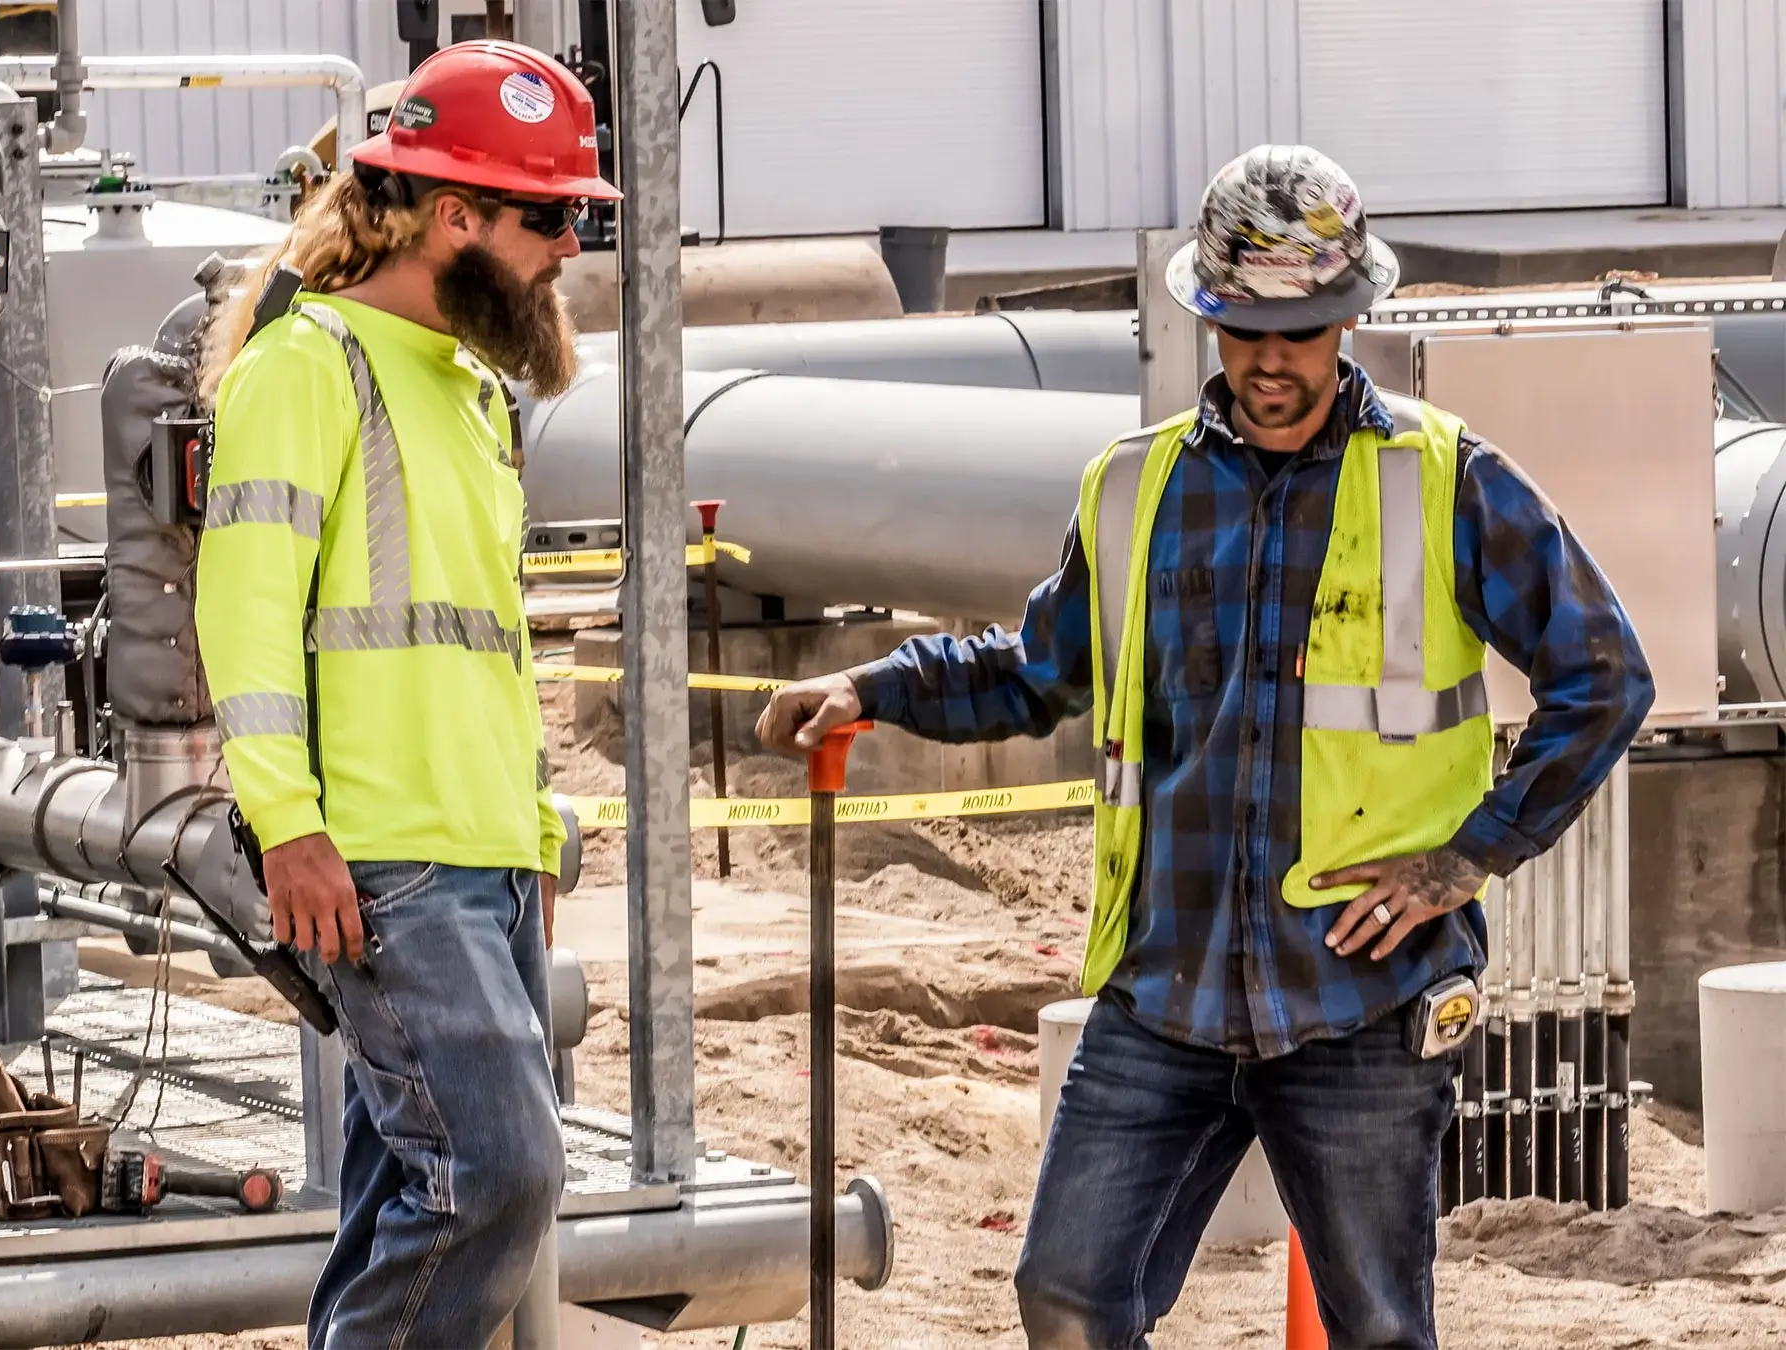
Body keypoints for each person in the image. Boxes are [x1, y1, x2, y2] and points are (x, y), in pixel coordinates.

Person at [756, 145, 1654, 1350]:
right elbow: (1034, 672)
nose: (1272, 361)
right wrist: (870, 684)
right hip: (1164, 990)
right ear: (1205, 318)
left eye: (1304, 330)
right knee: (1066, 1294)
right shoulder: (1135, 490)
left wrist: (1465, 860)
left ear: (1348, 319)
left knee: (1378, 1330)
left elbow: (1604, 676)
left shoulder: (1445, 482)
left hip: (1359, 1000)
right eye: (1244, 331)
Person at [192, 40, 618, 1350]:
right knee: (499, 1171)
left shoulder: (470, 391)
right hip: (382, 855)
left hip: (476, 853)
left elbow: (483, 645)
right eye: (547, 220)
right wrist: (294, 825)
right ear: (455, 218)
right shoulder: (309, 364)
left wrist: (531, 827)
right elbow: (243, 610)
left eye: (576, 220)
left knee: (410, 1174)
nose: (564, 251)